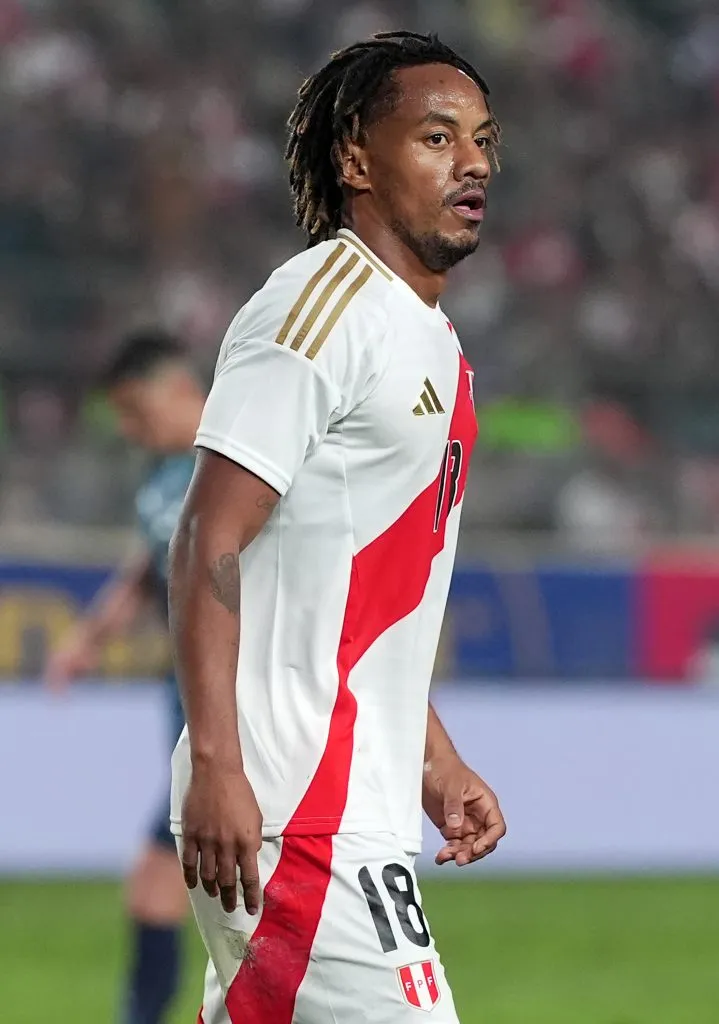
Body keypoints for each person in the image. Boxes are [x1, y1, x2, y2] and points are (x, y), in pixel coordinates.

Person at [169, 31, 507, 1024]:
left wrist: (432, 759)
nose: (474, 162)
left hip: (346, 790)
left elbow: (366, 599)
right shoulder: (322, 306)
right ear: (355, 158)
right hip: (289, 795)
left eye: (482, 141)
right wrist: (224, 769)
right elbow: (206, 539)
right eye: (437, 138)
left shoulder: (429, 339)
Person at [45, 330, 206, 1024]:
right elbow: (149, 567)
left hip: (237, 724)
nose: (134, 433)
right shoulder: (162, 476)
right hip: (191, 719)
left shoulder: (235, 458)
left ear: (180, 389)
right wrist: (88, 638)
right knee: (161, 891)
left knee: (158, 888)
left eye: (139, 415)